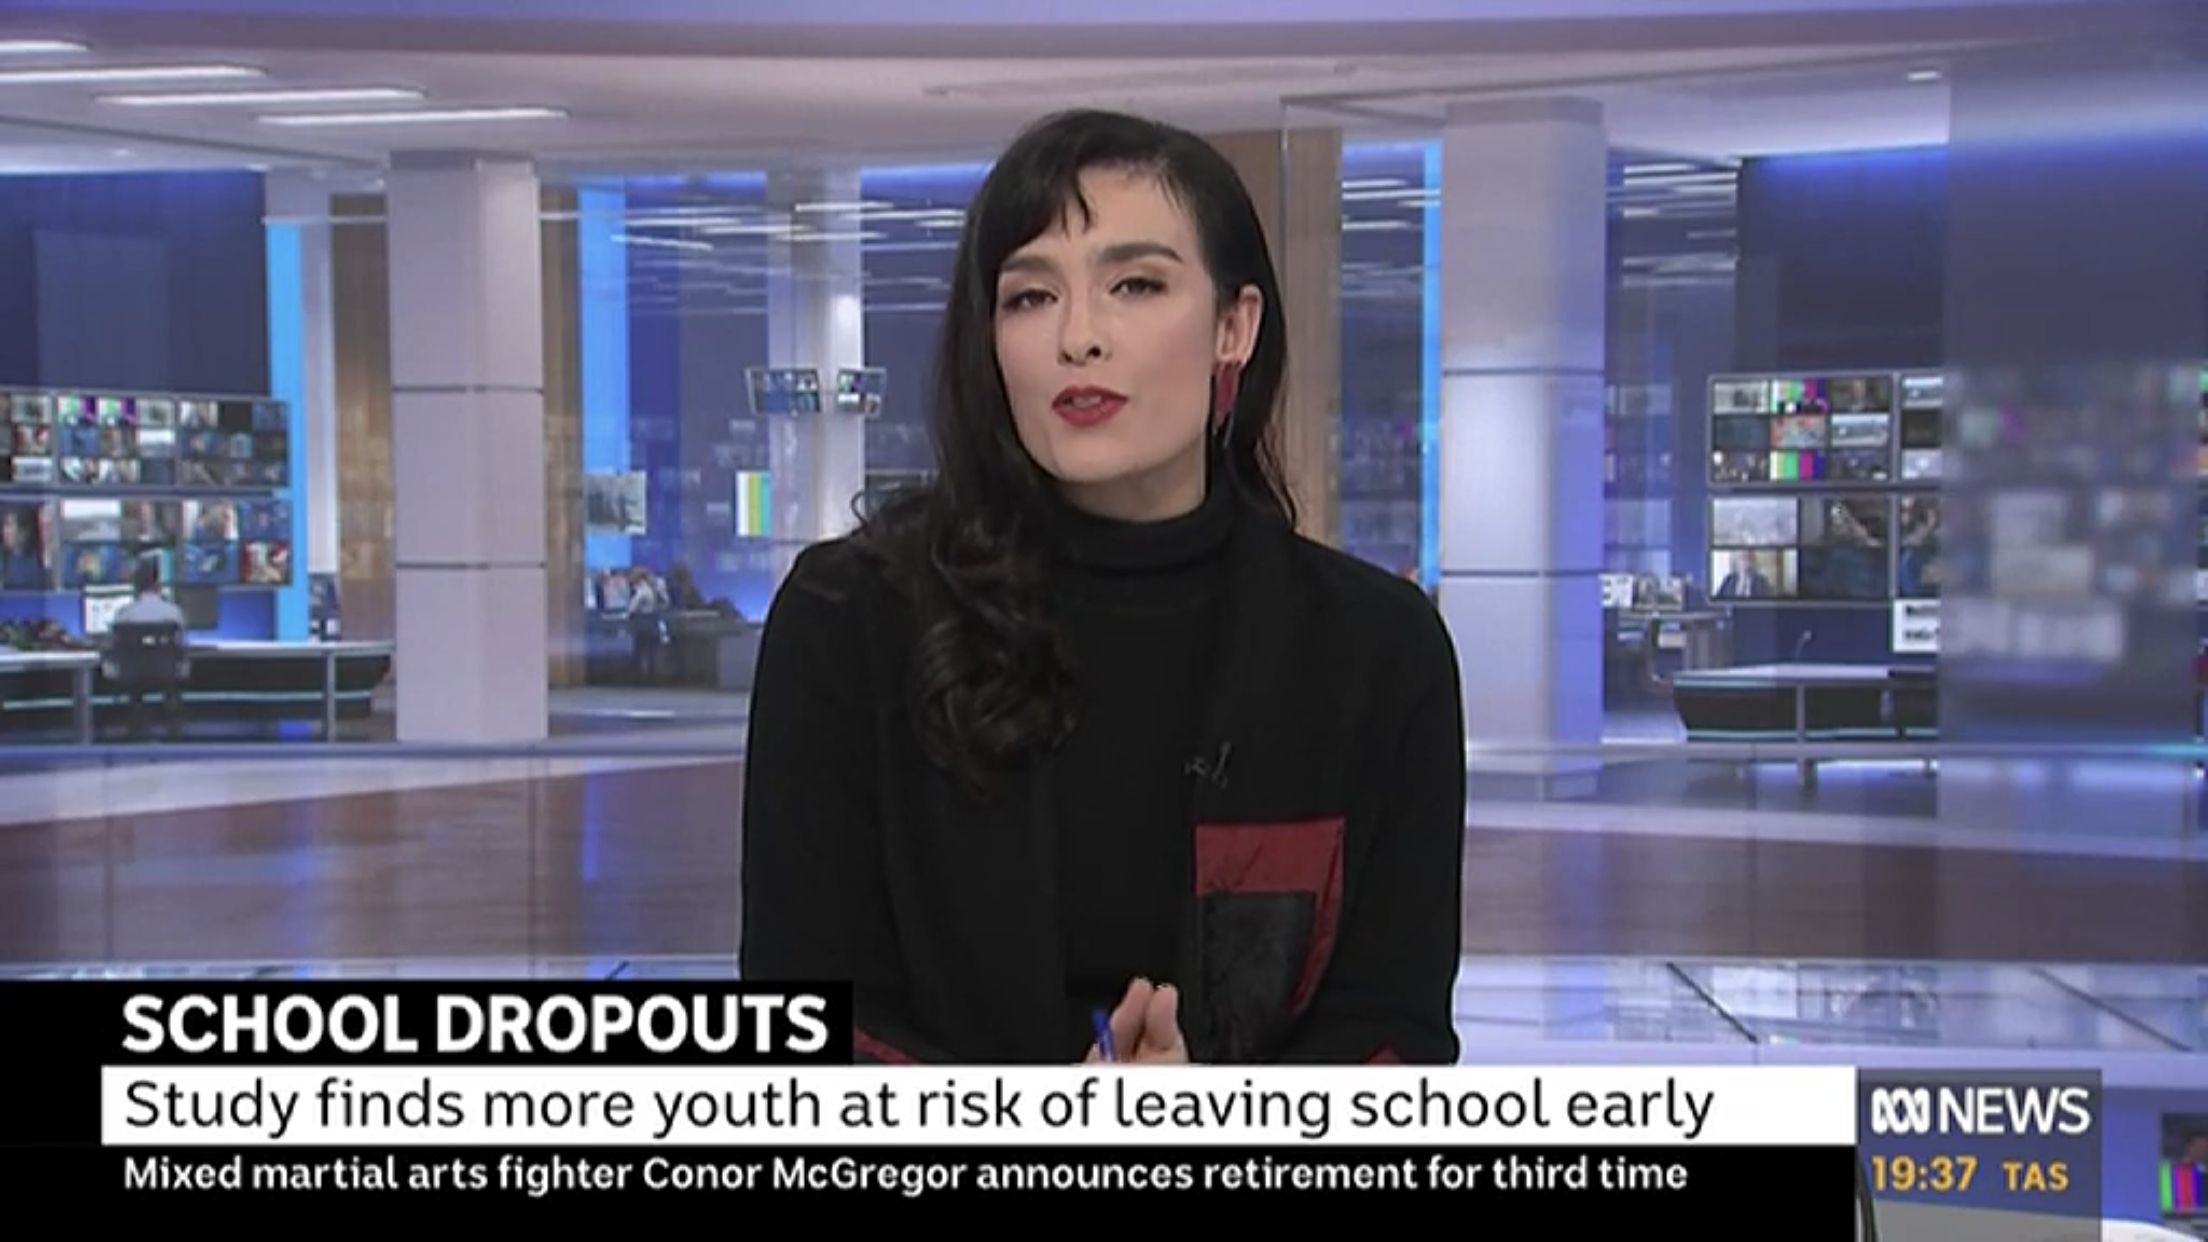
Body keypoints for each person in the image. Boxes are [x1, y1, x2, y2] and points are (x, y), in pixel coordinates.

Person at [739, 109, 1466, 1066]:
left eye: (1135, 285)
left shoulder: (1377, 651)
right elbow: (802, 1019)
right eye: (1030, 297)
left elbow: (1395, 1033)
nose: (1078, 337)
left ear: (1234, 327)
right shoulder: (848, 621)